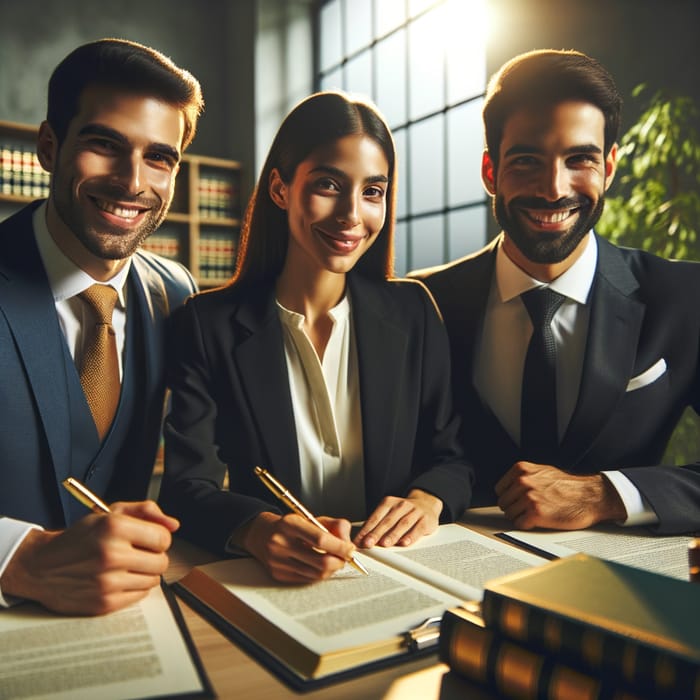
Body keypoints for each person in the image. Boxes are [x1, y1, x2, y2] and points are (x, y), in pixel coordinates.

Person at [160, 91, 473, 583]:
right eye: (329, 184)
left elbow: (452, 457)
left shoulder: (413, 311)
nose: (352, 214)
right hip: (271, 579)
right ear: (281, 189)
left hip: (401, 569)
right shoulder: (207, 323)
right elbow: (185, 487)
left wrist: (428, 498)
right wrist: (257, 530)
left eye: (373, 191)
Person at [411, 49, 700, 535]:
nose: (553, 188)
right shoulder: (418, 301)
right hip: (446, 582)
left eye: (579, 159)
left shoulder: (685, 296)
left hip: (619, 586)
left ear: (609, 167)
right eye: (526, 161)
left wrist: (606, 493)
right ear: (490, 172)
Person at [0, 38, 203, 614]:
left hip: (130, 627)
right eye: (104, 144)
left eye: (159, 157)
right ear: (48, 146)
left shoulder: (177, 293)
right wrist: (17, 558)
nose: (132, 182)